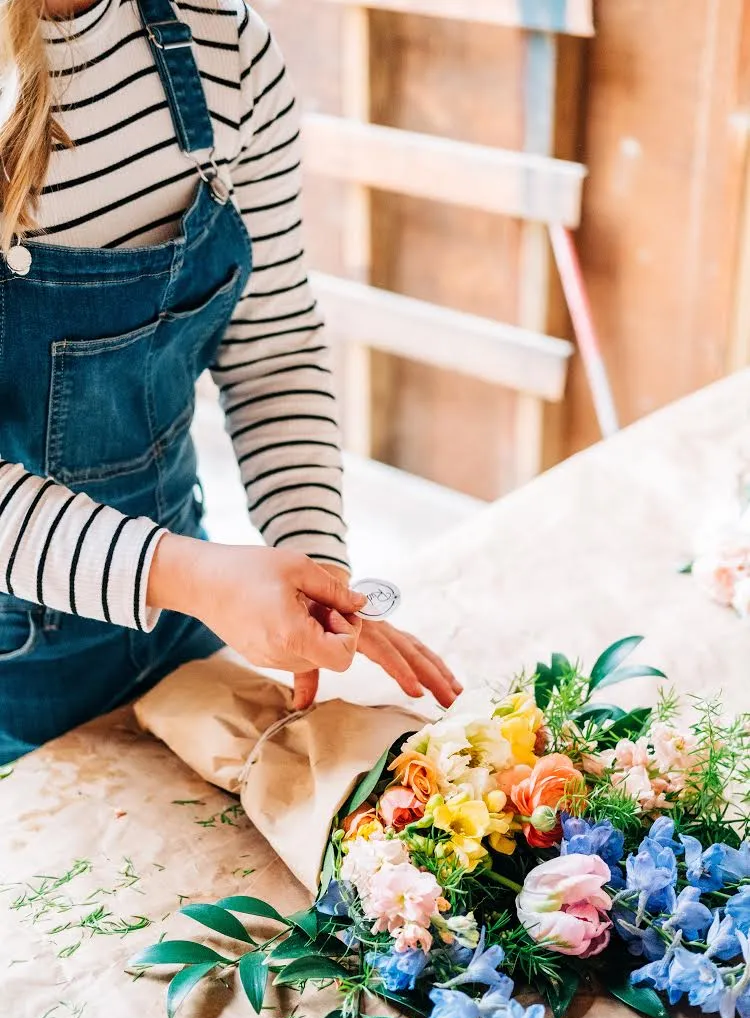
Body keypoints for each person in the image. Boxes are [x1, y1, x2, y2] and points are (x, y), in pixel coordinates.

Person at [0, 0, 462, 765]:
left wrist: (314, 571)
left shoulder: (226, 49)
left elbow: (273, 353)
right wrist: (190, 576)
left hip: (177, 627)